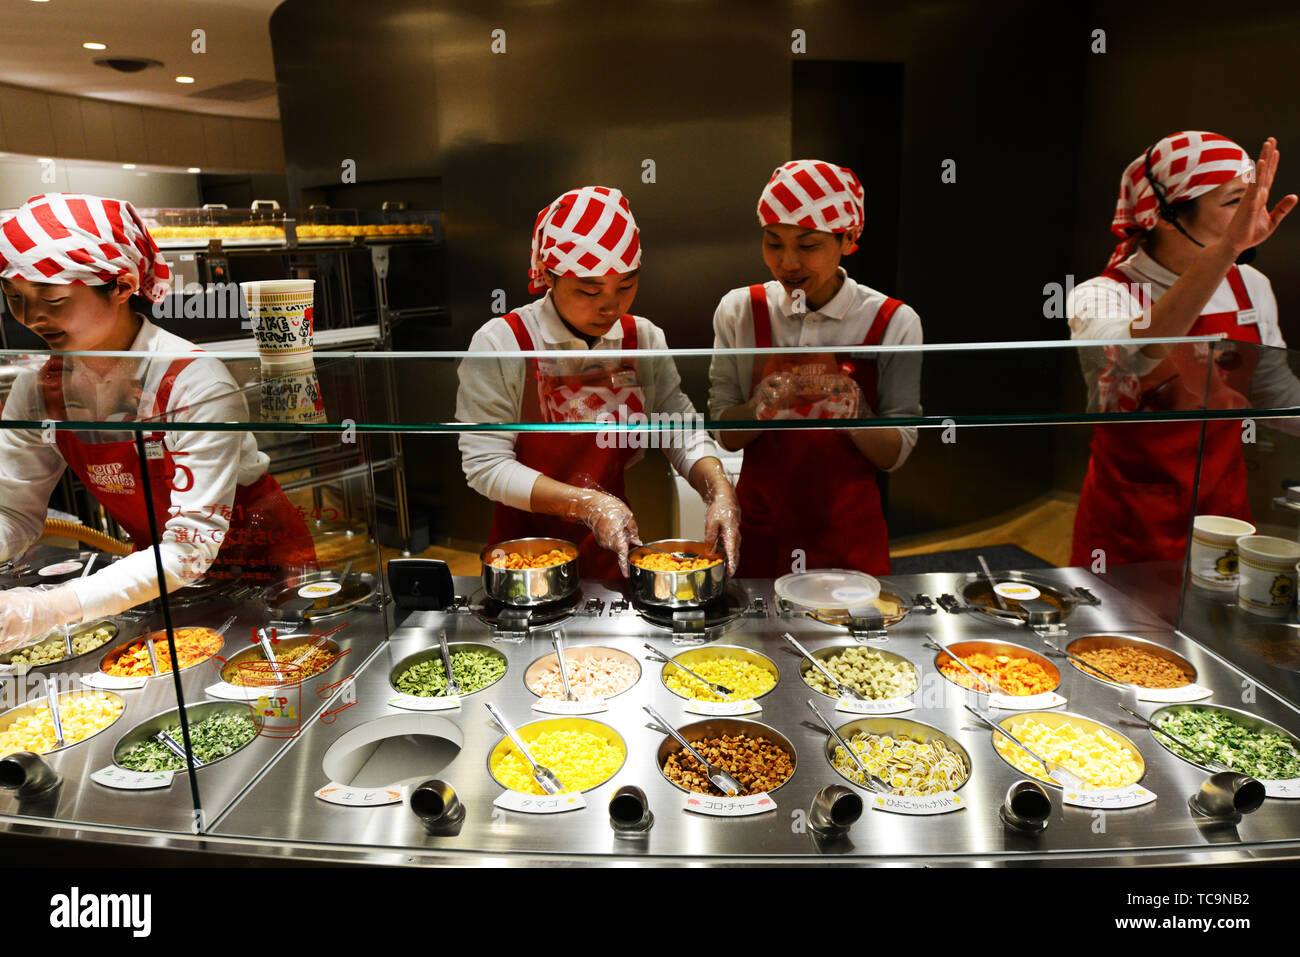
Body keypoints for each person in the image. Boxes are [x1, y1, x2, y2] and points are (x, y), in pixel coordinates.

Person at [0, 193, 317, 652]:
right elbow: (12, 511)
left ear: (123, 286)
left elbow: (189, 547)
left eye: (53, 298)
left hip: (262, 566)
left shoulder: (193, 382)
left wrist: (46, 609)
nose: (31, 318)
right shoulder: (38, 388)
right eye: (13, 299)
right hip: (154, 571)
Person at [456, 186, 739, 578]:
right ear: (548, 278)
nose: (611, 306)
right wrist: (585, 505)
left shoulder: (643, 339)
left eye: (626, 286)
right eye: (589, 290)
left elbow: (678, 427)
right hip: (526, 558)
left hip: (614, 545)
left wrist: (718, 488)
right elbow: (485, 464)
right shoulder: (502, 343)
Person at [1069, 133, 1299, 565]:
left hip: (1225, 511)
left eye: (1254, 200)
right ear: (1167, 213)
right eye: (1236, 201)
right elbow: (1137, 357)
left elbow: (1273, 394)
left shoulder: (1252, 286)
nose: (1254, 216)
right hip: (1131, 519)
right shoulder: (1100, 295)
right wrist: (1228, 248)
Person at [709, 160, 922, 578]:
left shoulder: (892, 321)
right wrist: (760, 407)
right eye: (773, 243)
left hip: (848, 536)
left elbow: (896, 453)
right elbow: (725, 432)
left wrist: (854, 411)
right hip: (760, 528)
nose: (788, 263)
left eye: (808, 246)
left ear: (847, 240)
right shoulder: (740, 310)